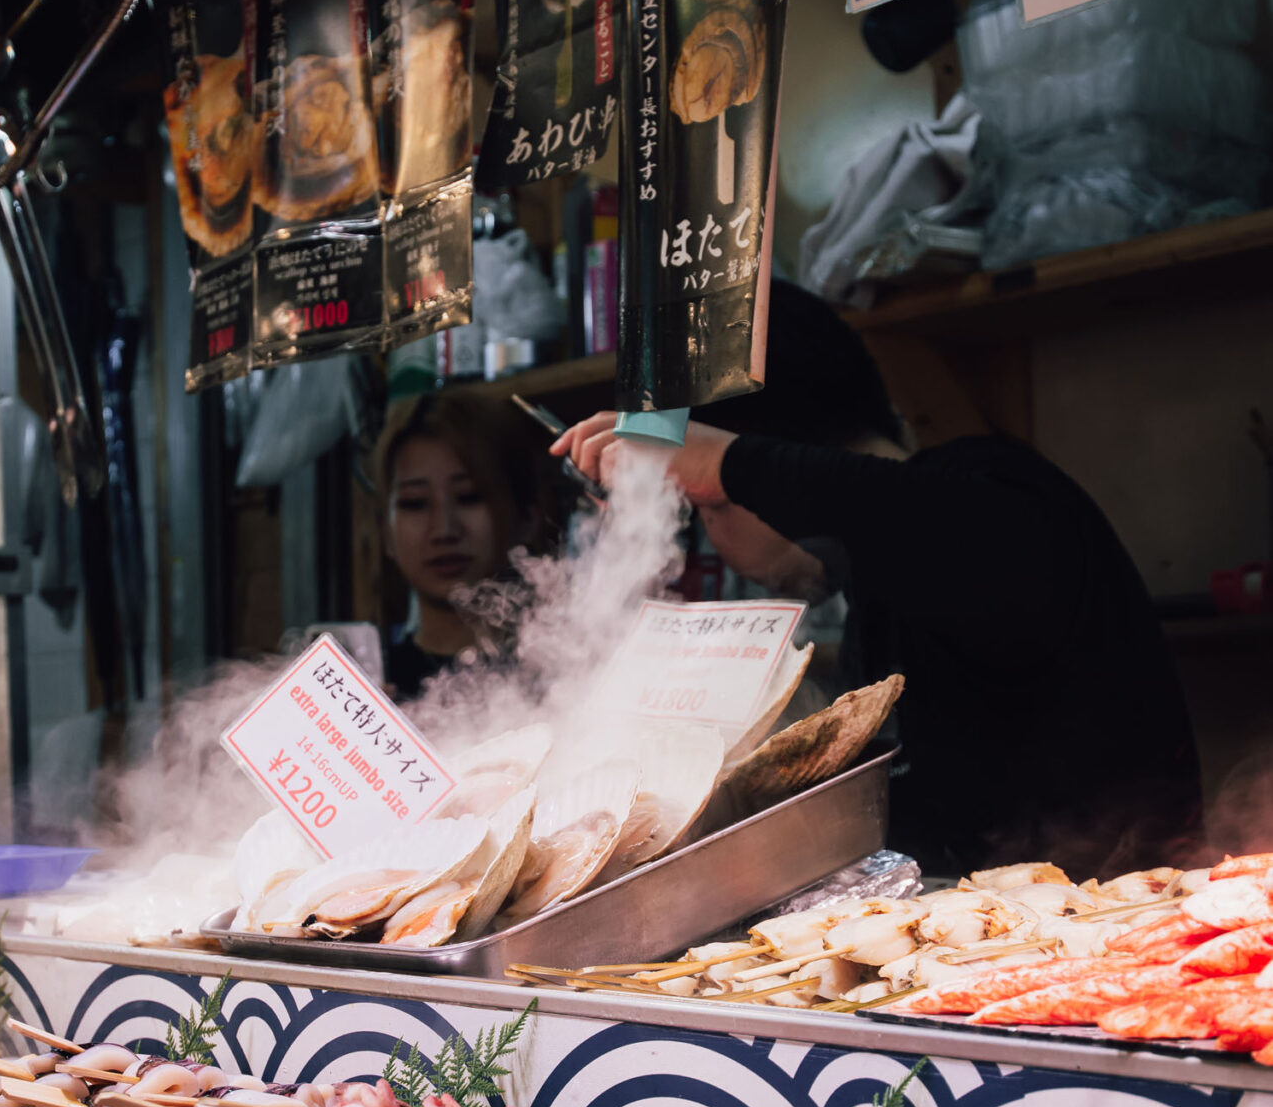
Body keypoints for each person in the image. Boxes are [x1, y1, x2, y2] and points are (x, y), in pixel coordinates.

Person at [554, 281, 1202, 878]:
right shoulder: (886, 576)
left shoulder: (999, 495)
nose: (715, 536)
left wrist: (729, 464)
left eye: (712, 505)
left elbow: (947, 522)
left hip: (1115, 917)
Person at [375, 391, 551, 699]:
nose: (443, 529)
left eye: (469, 497)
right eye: (415, 503)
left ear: (526, 516)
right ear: (386, 533)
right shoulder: (365, 686)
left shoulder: (566, 674)